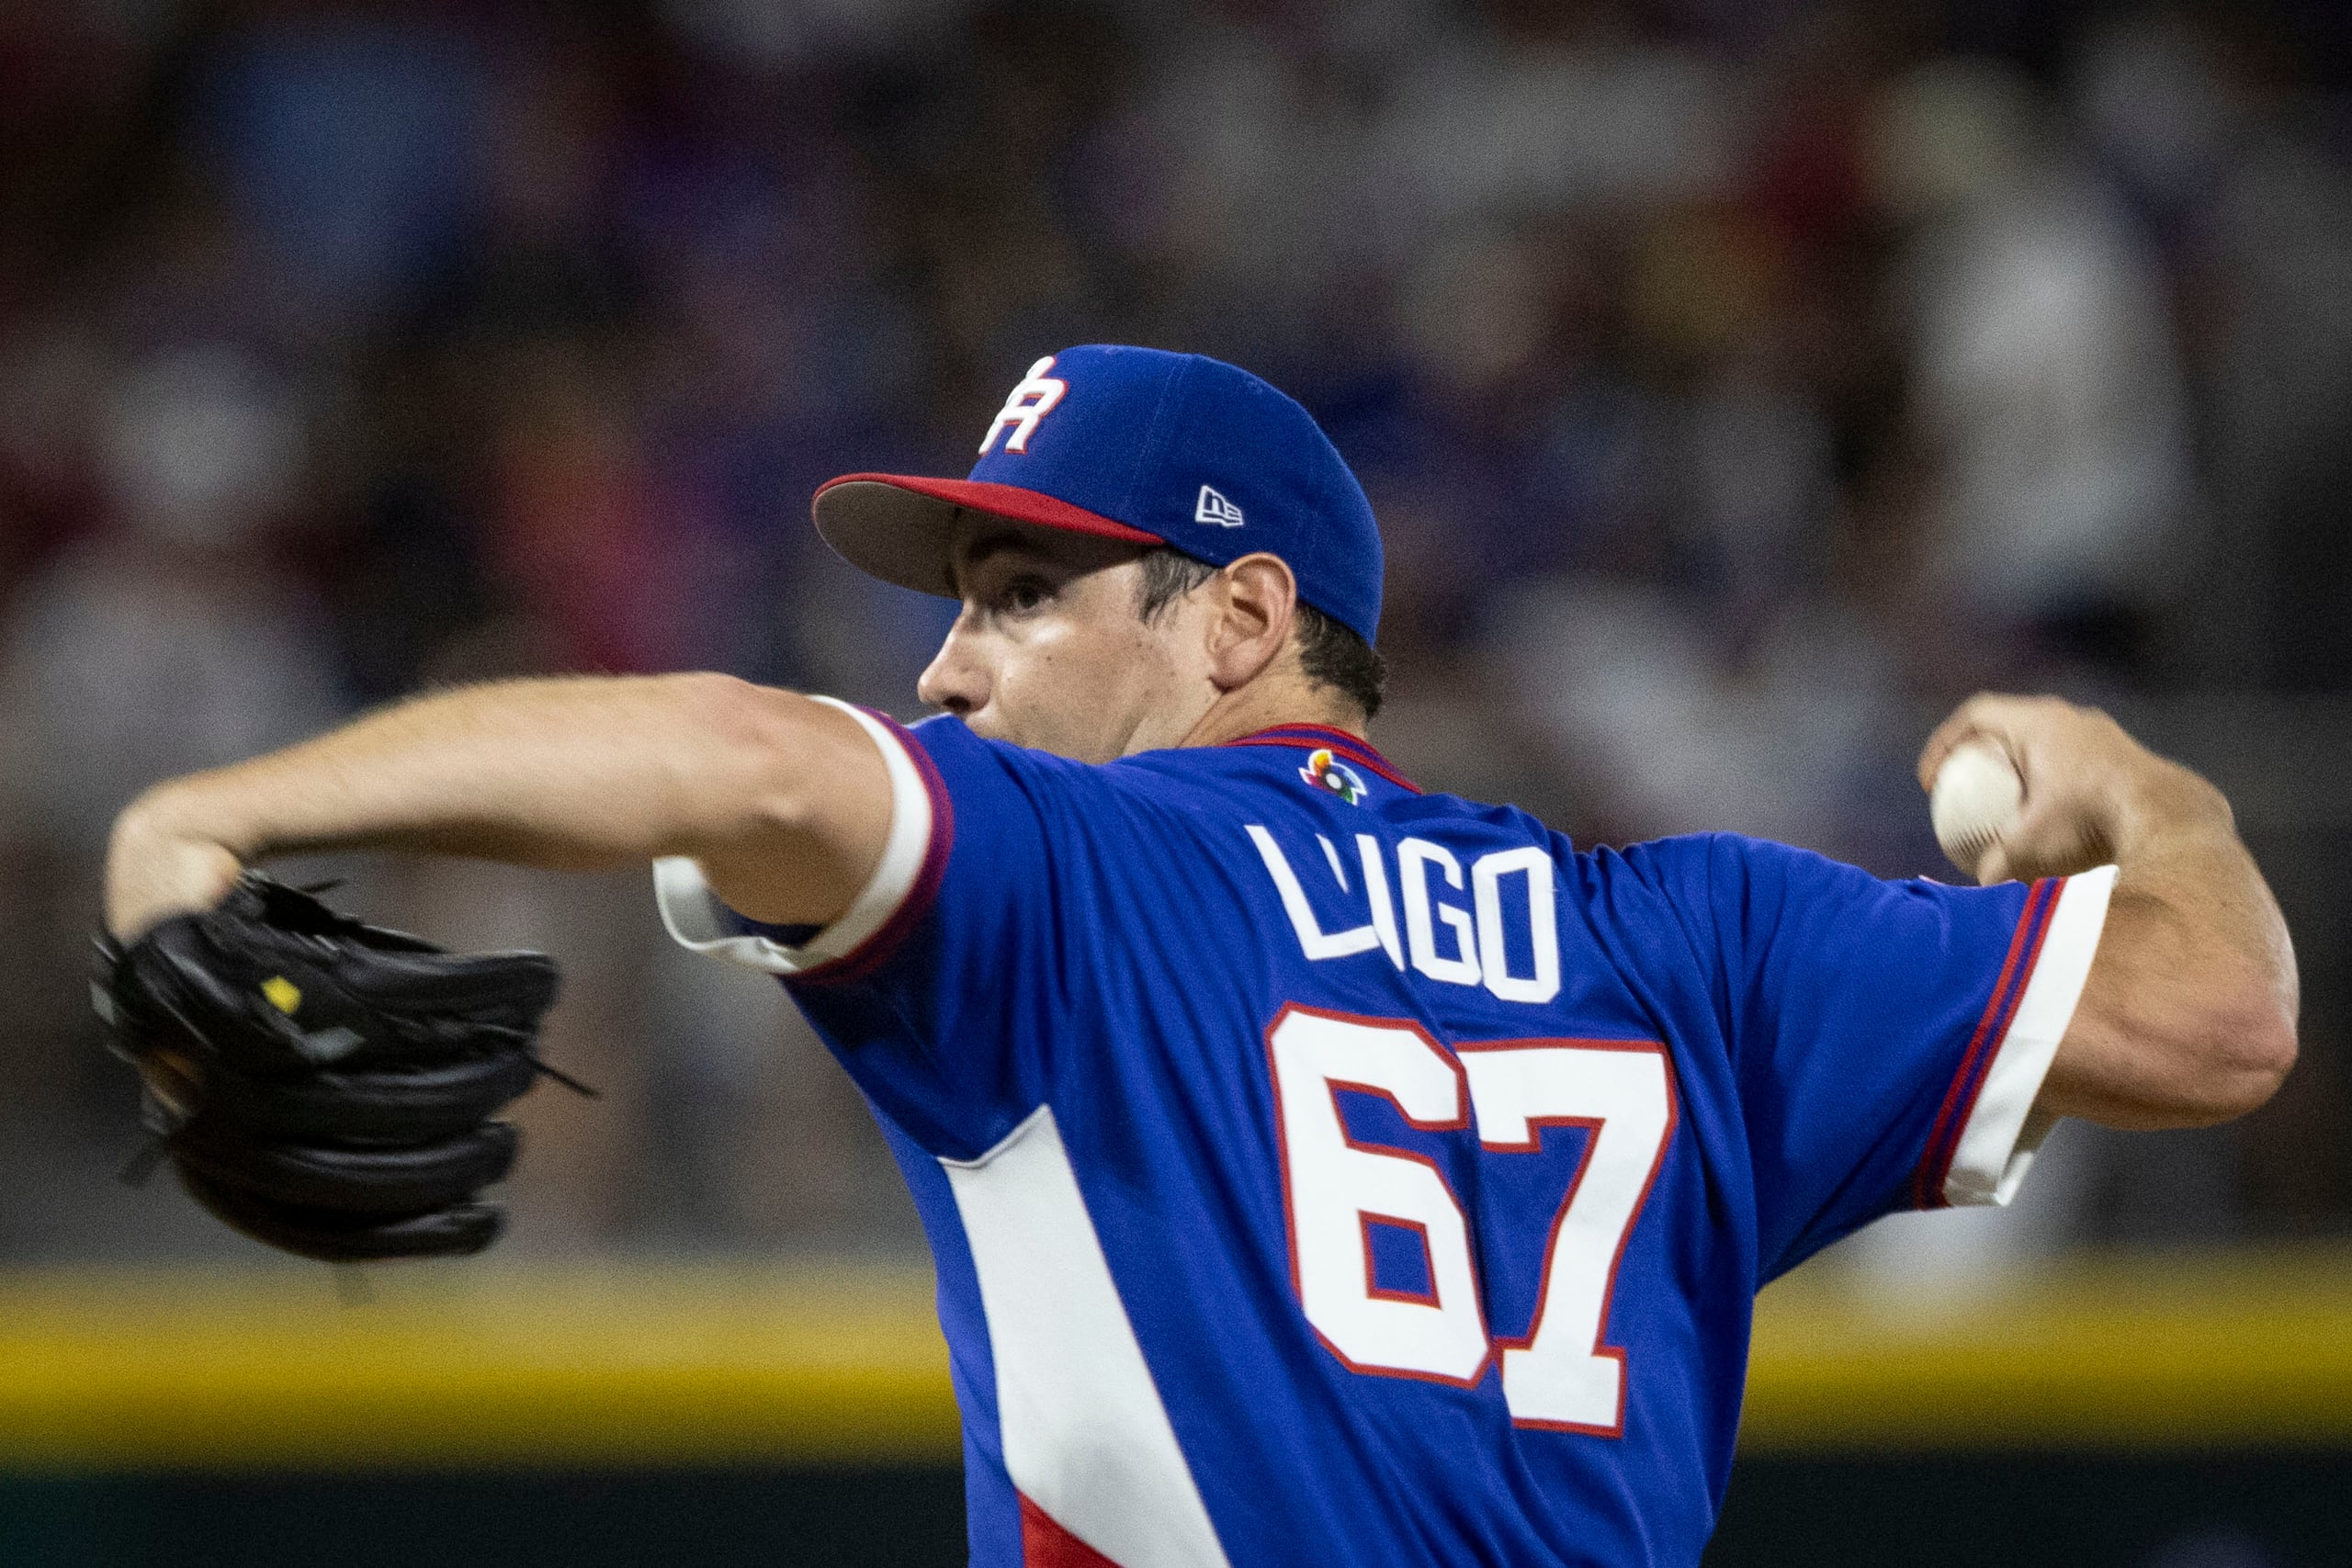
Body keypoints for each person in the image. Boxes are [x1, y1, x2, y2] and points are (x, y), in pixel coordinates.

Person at [105, 345, 2297, 1567]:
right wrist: (2127, 778)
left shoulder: (1074, 870)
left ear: (1238, 620)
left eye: (1015, 590)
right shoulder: (1698, 935)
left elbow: (726, 748)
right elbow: (2217, 1012)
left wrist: (214, 812)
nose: (949, 665)